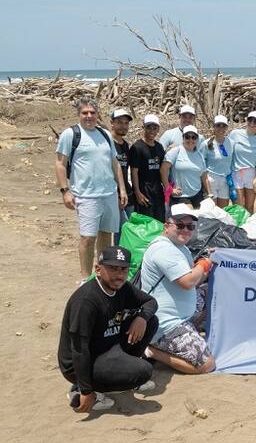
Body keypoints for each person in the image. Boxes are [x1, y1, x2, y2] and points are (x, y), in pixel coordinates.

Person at [58, 246, 158, 413]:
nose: (119, 275)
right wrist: (86, 390)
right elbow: (79, 349)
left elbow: (150, 302)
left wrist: (142, 318)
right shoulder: (86, 301)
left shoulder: (121, 287)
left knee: (151, 321)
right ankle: (84, 389)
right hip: (82, 361)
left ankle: (123, 374)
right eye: (113, 268)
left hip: (108, 345)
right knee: (144, 371)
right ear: (98, 269)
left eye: (124, 269)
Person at [55, 98, 128, 279]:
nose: (89, 116)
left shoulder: (105, 134)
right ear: (79, 114)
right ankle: (86, 279)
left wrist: (122, 189)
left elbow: (115, 163)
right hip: (86, 196)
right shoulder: (71, 134)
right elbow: (60, 164)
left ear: (97, 114)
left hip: (109, 194)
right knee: (88, 238)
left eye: (92, 113)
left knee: (106, 236)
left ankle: (102, 275)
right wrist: (65, 191)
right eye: (85, 113)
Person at [140, 204, 215, 374]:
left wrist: (208, 262)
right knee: (206, 364)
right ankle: (150, 350)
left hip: (182, 315)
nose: (185, 230)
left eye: (190, 227)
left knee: (211, 292)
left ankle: (187, 335)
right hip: (166, 323)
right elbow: (188, 281)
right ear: (167, 226)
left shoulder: (180, 247)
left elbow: (195, 280)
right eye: (180, 225)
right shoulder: (164, 249)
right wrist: (204, 264)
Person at [129, 114, 166, 221]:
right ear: (143, 127)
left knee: (160, 221)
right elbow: (134, 172)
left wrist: (167, 189)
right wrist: (137, 192)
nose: (152, 131)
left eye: (155, 128)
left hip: (157, 189)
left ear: (158, 129)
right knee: (146, 221)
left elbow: (163, 170)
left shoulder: (159, 147)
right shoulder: (137, 147)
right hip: (144, 189)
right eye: (149, 127)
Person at [161, 125, 208, 209]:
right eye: (187, 137)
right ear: (183, 138)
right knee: (189, 215)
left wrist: (209, 193)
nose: (190, 140)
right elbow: (163, 169)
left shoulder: (199, 155)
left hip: (197, 194)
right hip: (180, 196)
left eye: (193, 137)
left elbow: (204, 176)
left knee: (201, 215)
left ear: (197, 139)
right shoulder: (176, 151)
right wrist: (169, 189)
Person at [229, 111, 256, 213]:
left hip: (251, 173)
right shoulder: (235, 134)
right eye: (250, 120)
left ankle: (250, 223)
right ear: (246, 120)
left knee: (250, 206)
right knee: (239, 205)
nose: (252, 123)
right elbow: (228, 153)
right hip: (236, 172)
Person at [109, 109, 134, 244]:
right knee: (120, 228)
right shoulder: (108, 144)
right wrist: (117, 194)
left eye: (126, 123)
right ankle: (117, 254)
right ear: (112, 123)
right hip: (113, 192)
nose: (123, 126)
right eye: (119, 122)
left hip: (127, 192)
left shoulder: (125, 145)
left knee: (129, 228)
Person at [200, 115, 234, 208]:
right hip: (211, 179)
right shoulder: (205, 144)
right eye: (218, 125)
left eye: (224, 126)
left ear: (227, 127)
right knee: (212, 210)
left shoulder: (231, 143)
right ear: (214, 127)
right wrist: (206, 186)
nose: (221, 128)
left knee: (223, 210)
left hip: (225, 180)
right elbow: (201, 165)